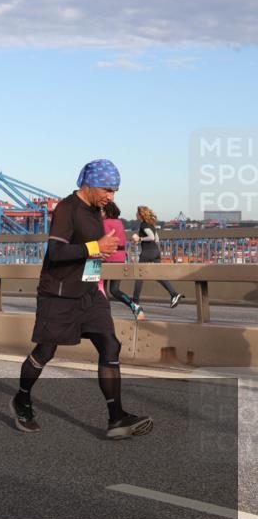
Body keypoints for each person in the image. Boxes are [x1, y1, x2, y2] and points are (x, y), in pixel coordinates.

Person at [11, 159, 152, 440]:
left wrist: (98, 258)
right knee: (45, 352)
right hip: (59, 294)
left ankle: (116, 418)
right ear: (88, 184)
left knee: (110, 345)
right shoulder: (67, 209)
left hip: (89, 292)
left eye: (114, 191)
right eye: (107, 190)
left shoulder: (93, 210)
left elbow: (87, 252)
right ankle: (22, 399)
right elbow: (56, 253)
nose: (111, 197)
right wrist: (94, 247)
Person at [131, 205, 183, 309]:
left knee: (139, 276)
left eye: (137, 213)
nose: (136, 215)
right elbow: (157, 239)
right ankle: (174, 294)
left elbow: (152, 237)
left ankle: (135, 302)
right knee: (158, 275)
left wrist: (140, 239)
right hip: (155, 251)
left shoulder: (143, 225)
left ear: (141, 215)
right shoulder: (151, 225)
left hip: (147, 253)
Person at [101, 202, 145, 320]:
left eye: (102, 211)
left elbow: (101, 240)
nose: (101, 213)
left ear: (106, 212)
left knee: (101, 288)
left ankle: (105, 314)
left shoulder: (104, 223)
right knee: (114, 290)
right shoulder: (120, 223)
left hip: (107, 257)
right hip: (120, 258)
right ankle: (134, 306)